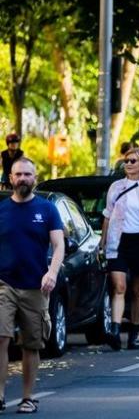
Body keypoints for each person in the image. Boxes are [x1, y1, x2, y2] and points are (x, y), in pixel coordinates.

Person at [0, 157, 64, 414]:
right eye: (19, 174)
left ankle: (28, 396)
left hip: (36, 286)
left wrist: (52, 272)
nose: (23, 179)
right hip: (4, 284)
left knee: (32, 343)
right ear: (11, 178)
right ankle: (0, 394)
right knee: (1, 338)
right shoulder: (2, 209)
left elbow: (59, 245)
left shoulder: (47, 209)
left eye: (28, 174)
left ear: (34, 178)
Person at [100, 147, 139, 350]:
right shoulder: (115, 187)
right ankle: (116, 331)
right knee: (119, 286)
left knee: (137, 289)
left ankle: (134, 333)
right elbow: (107, 216)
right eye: (126, 161)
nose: (128, 164)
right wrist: (102, 243)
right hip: (118, 242)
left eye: (133, 161)